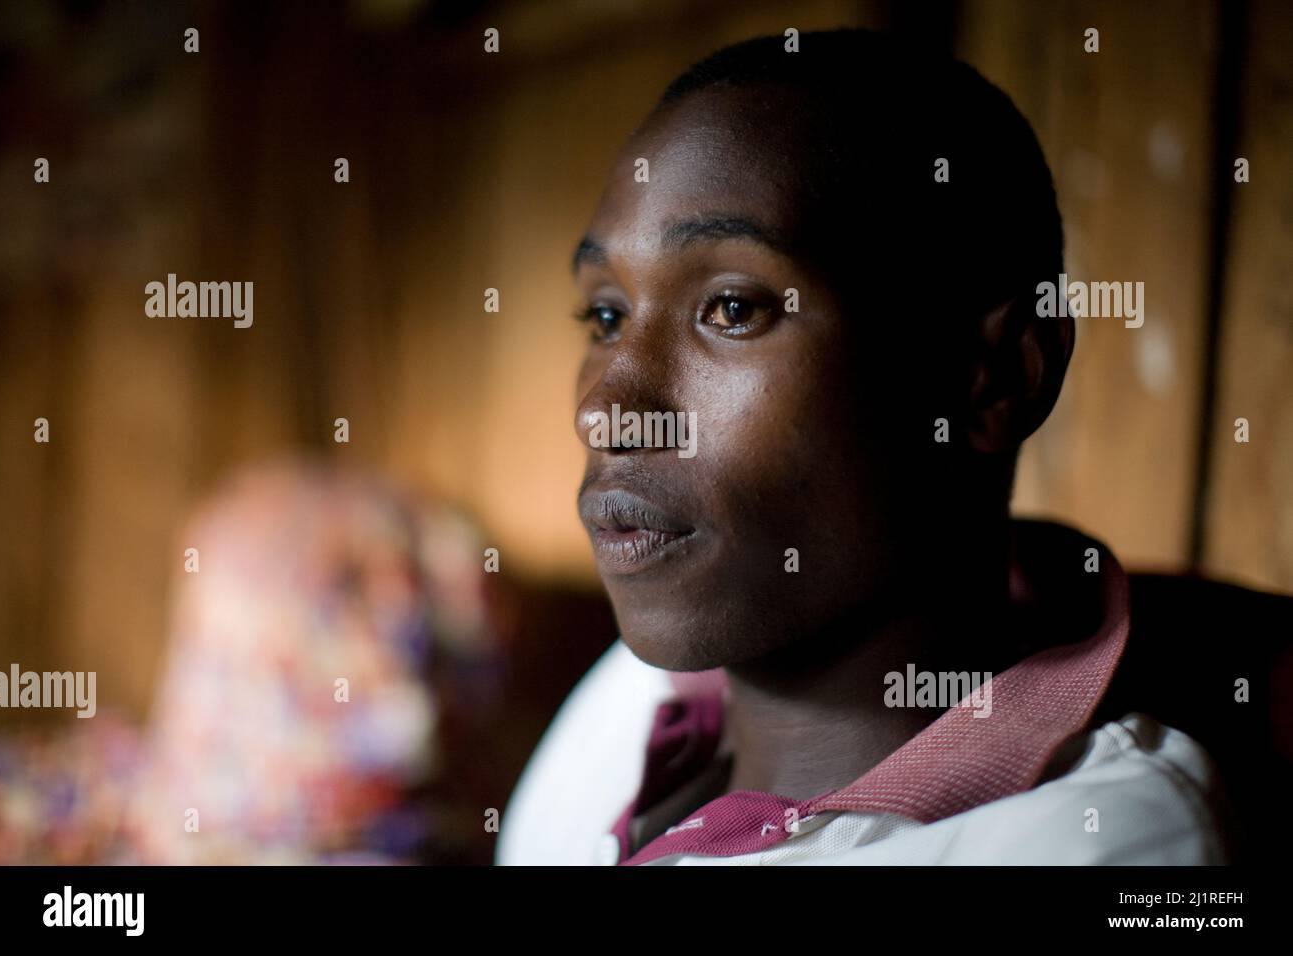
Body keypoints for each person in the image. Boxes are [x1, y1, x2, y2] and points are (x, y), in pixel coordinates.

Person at [498, 29, 1238, 865]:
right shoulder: (631, 699)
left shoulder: (1103, 846)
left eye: (733, 309)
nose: (607, 412)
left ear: (990, 379)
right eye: (605, 316)